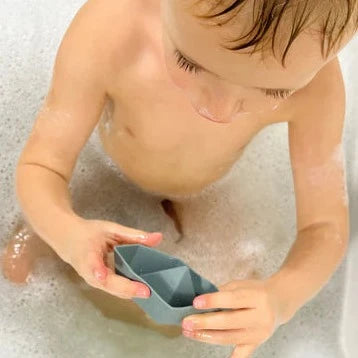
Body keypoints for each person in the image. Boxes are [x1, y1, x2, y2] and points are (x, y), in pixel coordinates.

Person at [3, 0, 355, 356]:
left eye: (274, 93)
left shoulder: (316, 83)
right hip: (103, 178)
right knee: (18, 268)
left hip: (204, 199)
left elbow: (325, 226)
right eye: (191, 63)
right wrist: (65, 230)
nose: (219, 111)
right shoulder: (112, 29)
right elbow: (43, 166)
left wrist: (280, 297)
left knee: (220, 313)